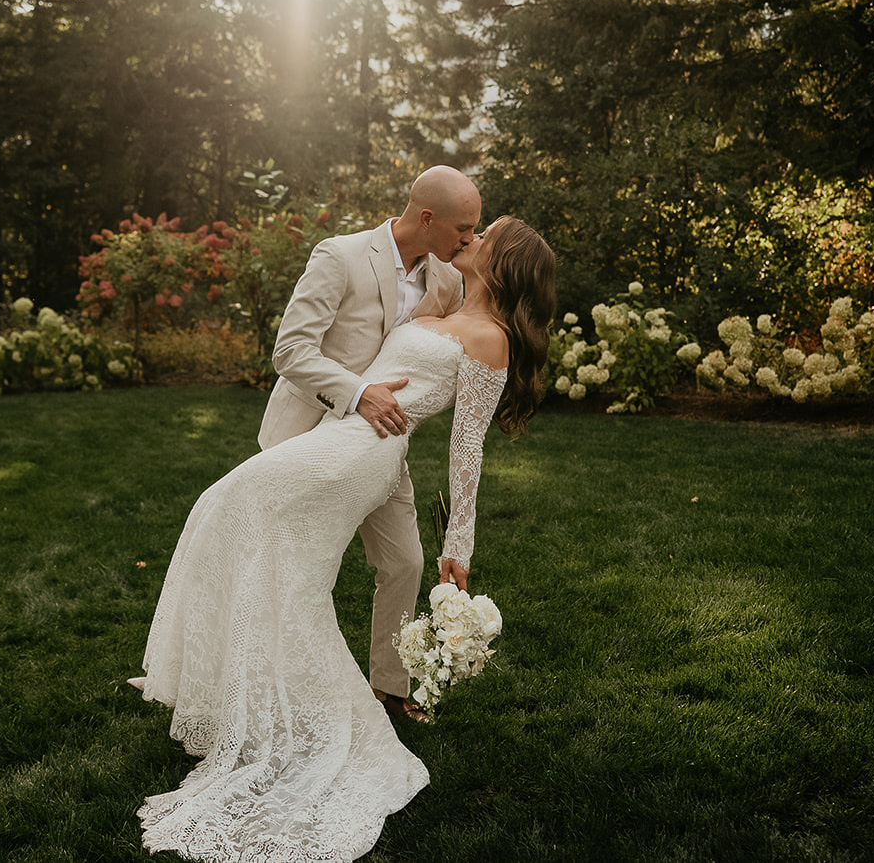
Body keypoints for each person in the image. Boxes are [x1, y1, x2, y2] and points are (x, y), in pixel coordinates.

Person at [132, 215, 556, 863]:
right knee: (243, 528)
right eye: (469, 226)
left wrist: (458, 550)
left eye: (486, 233)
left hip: (364, 456)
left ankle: (316, 716)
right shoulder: (443, 293)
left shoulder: (492, 340)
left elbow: (467, 451)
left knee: (257, 535)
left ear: (504, 262)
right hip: (340, 434)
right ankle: (246, 694)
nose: (472, 236)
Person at [257, 164, 479, 723]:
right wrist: (360, 393)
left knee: (405, 561)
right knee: (290, 569)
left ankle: (389, 686)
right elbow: (291, 351)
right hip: (307, 438)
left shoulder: (447, 281)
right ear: (427, 218)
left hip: (380, 447)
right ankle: (265, 685)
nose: (469, 240)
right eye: (463, 228)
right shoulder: (341, 255)